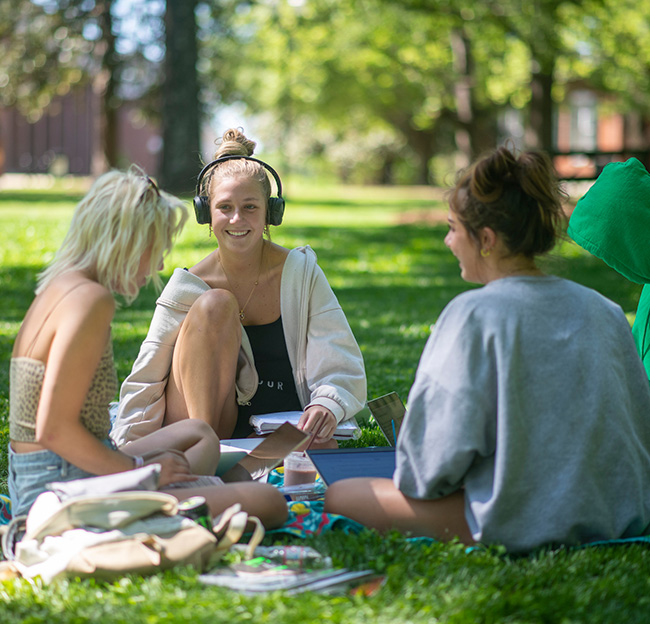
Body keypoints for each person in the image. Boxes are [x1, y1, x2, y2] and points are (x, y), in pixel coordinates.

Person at [324, 145, 650, 554]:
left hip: (528, 520)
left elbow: (426, 473)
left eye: (453, 228)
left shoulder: (472, 314)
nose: (447, 241)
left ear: (487, 240)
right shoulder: (606, 310)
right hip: (620, 513)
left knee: (343, 497)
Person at [8, 167, 288, 529]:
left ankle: (189, 495)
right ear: (126, 240)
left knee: (200, 434)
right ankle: (184, 499)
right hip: (63, 491)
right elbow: (53, 429)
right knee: (268, 501)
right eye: (155, 250)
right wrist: (140, 472)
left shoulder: (62, 286)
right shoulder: (91, 301)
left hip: (49, 475)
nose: (157, 264)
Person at [110, 128, 366, 452]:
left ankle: (235, 473)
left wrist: (327, 404)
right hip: (203, 430)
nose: (236, 219)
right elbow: (146, 378)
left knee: (323, 448)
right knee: (215, 304)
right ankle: (204, 456)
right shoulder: (187, 286)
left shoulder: (300, 274)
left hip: (271, 434)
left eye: (250, 207)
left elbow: (338, 357)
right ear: (205, 212)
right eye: (224, 207)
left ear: (272, 212)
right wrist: (127, 453)